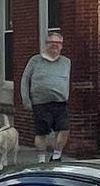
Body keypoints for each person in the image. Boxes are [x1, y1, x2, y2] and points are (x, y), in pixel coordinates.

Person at [20, 29, 71, 162]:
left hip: (60, 103)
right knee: (42, 133)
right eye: (51, 42)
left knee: (64, 130)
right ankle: (41, 159)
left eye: (58, 43)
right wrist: (26, 100)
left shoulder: (66, 62)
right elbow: (25, 80)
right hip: (40, 104)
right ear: (46, 44)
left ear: (61, 45)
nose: (54, 45)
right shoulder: (35, 61)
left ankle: (56, 156)